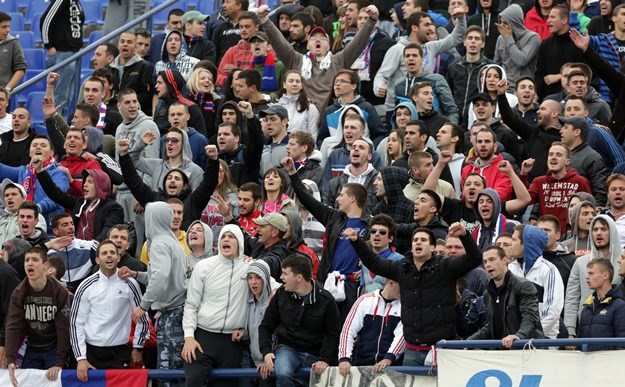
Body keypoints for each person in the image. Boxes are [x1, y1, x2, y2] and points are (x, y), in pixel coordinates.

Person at [345, 222, 481, 365]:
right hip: (411, 350)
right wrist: (357, 242)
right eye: (415, 240)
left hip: (441, 349)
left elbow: (475, 259)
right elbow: (374, 263)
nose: (418, 243)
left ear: (433, 247)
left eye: (423, 240)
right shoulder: (402, 268)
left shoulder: (446, 266)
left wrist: (465, 236)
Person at [283, 156, 369, 319]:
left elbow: (379, 250)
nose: (337, 199)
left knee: (348, 328)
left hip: (353, 285)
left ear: (352, 198)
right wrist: (293, 173)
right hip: (328, 282)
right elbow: (307, 200)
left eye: (342, 195)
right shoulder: (333, 217)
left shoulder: (370, 223)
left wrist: (366, 268)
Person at [258, 4, 381, 114]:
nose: (317, 40)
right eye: (313, 38)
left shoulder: (338, 60)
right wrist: (265, 20)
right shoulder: (296, 60)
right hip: (302, 117)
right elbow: (279, 43)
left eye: (322, 38)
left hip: (327, 121)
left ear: (328, 45)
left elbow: (357, 44)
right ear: (307, 45)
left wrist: (371, 20)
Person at [125, 202, 190, 376]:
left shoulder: (160, 243)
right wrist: (136, 274)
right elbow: (162, 276)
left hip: (172, 315)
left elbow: (160, 279)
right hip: (175, 313)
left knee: (172, 371)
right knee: (171, 370)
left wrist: (143, 306)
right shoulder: (171, 241)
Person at [70, 240, 148, 379]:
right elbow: (76, 324)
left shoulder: (130, 284)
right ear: (97, 260)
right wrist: (80, 358)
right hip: (91, 354)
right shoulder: (85, 286)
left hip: (120, 353)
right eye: (104, 253)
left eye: (112, 252)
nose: (109, 256)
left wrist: (138, 347)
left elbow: (143, 317)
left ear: (118, 258)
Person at [258, 254, 341, 386]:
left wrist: (325, 359)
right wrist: (266, 352)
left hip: (316, 354)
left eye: (285, 273)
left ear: (299, 277)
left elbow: (333, 333)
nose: (281, 277)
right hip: (287, 349)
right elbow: (266, 326)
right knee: (283, 373)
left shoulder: (326, 300)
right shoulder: (280, 295)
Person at [182, 225, 248, 387]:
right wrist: (189, 337)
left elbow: (273, 286)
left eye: (231, 237)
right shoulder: (204, 266)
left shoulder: (250, 269)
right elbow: (191, 304)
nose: (226, 239)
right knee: (193, 380)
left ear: (239, 242)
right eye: (223, 236)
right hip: (203, 337)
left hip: (231, 341)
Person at [375, 10, 468, 120]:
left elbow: (456, 38)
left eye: (431, 24)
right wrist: (378, 87)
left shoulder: (430, 47)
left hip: (424, 108)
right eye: (426, 24)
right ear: (415, 28)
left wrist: (461, 20)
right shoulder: (397, 50)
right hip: (398, 110)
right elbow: (381, 75)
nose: (430, 28)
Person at [5, 247, 70, 384]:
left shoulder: (59, 292)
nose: (30, 263)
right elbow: (13, 326)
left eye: (35, 260)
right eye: (27, 260)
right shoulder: (19, 292)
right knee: (27, 382)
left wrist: (59, 362)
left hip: (54, 346)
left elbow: (64, 329)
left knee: (54, 382)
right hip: (32, 345)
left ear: (45, 266)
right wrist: (10, 359)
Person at [467, 246, 545, 345]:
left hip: (527, 349)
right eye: (485, 262)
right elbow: (491, 325)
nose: (488, 265)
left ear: (505, 260)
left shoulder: (523, 285)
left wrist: (518, 336)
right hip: (503, 352)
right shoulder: (488, 293)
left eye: (492, 259)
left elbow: (530, 318)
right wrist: (468, 342)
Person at [564, 215, 623, 338]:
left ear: (612, 231)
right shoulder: (580, 263)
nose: (598, 233)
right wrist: (570, 331)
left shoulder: (622, 263)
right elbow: (571, 299)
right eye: (595, 230)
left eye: (603, 229)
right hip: (586, 328)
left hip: (616, 327)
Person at [0, 136, 69, 232]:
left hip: (50, 231)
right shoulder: (23, 171)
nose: (38, 147)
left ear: (52, 152)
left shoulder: (58, 172)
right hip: (24, 227)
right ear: (29, 152)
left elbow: (57, 198)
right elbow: (2, 170)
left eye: (43, 145)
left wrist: (34, 209)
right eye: (35, 145)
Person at [508, 225, 564, 339]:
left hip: (543, 340)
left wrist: (529, 335)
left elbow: (553, 311)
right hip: (513, 339)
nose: (510, 244)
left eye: (514, 240)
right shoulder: (510, 269)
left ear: (526, 244)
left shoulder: (548, 270)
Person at [338, 278, 403, 375]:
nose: (406, 291)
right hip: (362, 365)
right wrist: (344, 358)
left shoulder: (405, 306)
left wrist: (389, 357)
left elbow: (402, 335)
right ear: (391, 283)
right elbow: (348, 330)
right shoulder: (365, 300)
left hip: (391, 367)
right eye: (403, 287)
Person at [41, 0, 84, 119]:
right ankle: (54, 129)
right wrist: (48, 45)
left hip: (73, 53)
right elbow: (45, 20)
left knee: (67, 97)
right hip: (62, 53)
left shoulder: (75, 2)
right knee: (60, 96)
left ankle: (61, 128)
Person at [446, 26, 494, 124]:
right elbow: (448, 94)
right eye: (470, 38)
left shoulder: (490, 67)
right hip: (455, 119)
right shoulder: (454, 67)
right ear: (464, 42)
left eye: (477, 39)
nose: (473, 41)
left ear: (483, 44)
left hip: (478, 119)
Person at [535, 6, 585, 98]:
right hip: (549, 99)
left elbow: (585, 71)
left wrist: (560, 76)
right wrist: (536, 94)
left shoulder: (578, 42)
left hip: (574, 98)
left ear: (564, 20)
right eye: (549, 17)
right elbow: (540, 74)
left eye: (553, 17)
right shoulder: (545, 44)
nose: (548, 21)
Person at [576, 257, 625, 350]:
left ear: (605, 275)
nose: (587, 276)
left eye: (591, 273)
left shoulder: (620, 306)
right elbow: (580, 342)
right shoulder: (587, 307)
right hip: (587, 363)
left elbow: (622, 344)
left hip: (609, 363)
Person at [559, 116, 608, 206]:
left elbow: (600, 193)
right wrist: (535, 214)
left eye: (565, 127)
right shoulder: (560, 155)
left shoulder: (592, 157)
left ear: (577, 132)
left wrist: (593, 213)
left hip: (580, 214)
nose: (560, 131)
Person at [44, 213, 98, 293]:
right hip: (57, 295)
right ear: (55, 231)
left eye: (72, 223)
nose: (71, 227)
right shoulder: (47, 251)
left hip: (87, 293)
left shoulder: (89, 246)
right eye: (65, 225)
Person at [494, 4, 541, 90]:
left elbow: (521, 61)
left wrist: (508, 38)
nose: (502, 26)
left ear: (514, 23)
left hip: (523, 89)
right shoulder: (500, 39)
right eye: (500, 22)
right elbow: (497, 65)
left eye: (505, 23)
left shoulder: (533, 38)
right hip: (504, 88)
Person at [110, 32, 155, 116]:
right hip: (112, 111)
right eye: (122, 41)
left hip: (136, 113)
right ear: (118, 45)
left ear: (135, 46)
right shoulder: (109, 67)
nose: (125, 44)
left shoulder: (145, 66)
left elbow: (146, 95)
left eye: (129, 42)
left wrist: (124, 102)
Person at [461, 128, 513, 201]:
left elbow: (501, 194)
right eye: (479, 141)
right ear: (475, 146)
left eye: (487, 141)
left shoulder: (504, 168)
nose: (483, 144)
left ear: (495, 147)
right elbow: (464, 196)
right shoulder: (466, 169)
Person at [216, 11, 263, 88]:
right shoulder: (231, 51)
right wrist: (232, 80)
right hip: (233, 95)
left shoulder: (265, 50)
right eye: (241, 27)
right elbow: (219, 77)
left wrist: (236, 73)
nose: (243, 30)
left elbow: (263, 77)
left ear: (256, 27)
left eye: (247, 27)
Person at [360, 214, 405, 292]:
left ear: (390, 238)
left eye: (382, 232)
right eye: (373, 231)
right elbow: (363, 289)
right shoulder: (365, 260)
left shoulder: (399, 260)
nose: (376, 234)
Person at [275, 70, 320, 140]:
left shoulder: (310, 108)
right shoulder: (275, 107)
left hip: (302, 149)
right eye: (291, 81)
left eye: (298, 81)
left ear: (301, 85)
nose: (294, 84)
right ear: (284, 84)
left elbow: (313, 134)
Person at [0, 179, 47, 245]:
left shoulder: (36, 216)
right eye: (6, 195)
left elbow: (37, 243)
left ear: (24, 198)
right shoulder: (1, 218)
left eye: (14, 194)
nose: (9, 197)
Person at [0, 12, 26, 93]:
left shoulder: (13, 43)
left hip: (3, 96)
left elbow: (21, 68)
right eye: (4, 27)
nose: (8, 30)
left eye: (8, 26)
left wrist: (7, 89)